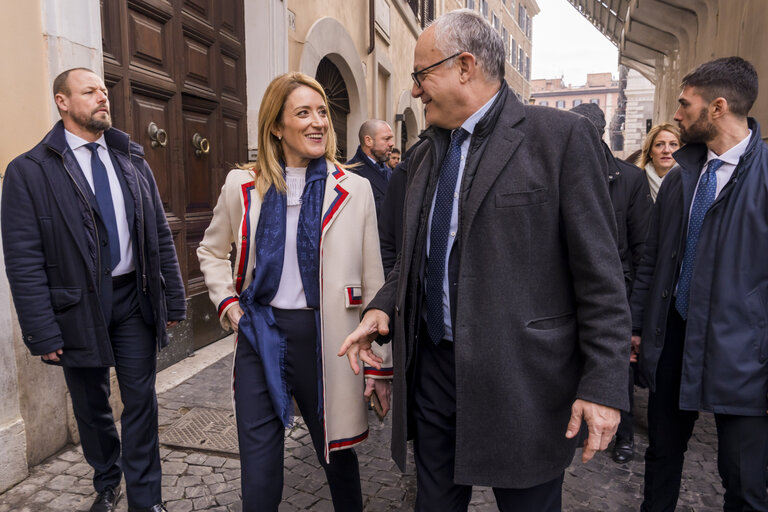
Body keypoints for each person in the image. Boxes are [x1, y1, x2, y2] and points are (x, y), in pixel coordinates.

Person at [339, 10, 631, 511]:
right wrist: (383, 307)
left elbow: (601, 277)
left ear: (465, 66)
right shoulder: (425, 154)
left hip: (523, 386)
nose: (414, 92)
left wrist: (604, 384)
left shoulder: (559, 140)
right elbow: (416, 256)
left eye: (421, 75)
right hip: (433, 375)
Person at [197, 72, 392, 512]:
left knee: (338, 454)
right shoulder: (241, 186)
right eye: (303, 113)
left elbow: (375, 278)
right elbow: (210, 250)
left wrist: (382, 364)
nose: (318, 122)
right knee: (259, 465)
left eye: (322, 111)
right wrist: (229, 305)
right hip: (260, 333)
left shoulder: (355, 189)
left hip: (330, 339)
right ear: (276, 127)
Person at [1, 68, 185, 512]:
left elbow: (159, 234)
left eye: (104, 91)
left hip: (133, 297)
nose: (103, 97)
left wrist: (173, 296)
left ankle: (147, 500)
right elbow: (23, 259)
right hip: (76, 307)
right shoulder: (29, 171)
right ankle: (107, 478)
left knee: (140, 399)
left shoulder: (131, 158)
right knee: (91, 401)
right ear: (62, 102)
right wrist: (41, 331)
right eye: (90, 91)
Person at [630, 56, 768, 512]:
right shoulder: (681, 178)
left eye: (685, 104)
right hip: (674, 340)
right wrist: (636, 327)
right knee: (662, 457)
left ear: (718, 108)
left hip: (743, 355)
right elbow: (652, 261)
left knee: (744, 480)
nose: (676, 114)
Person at [570, 102, 652, 465]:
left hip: (617, 289)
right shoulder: (563, 171)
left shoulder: (629, 180)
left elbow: (643, 249)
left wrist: (634, 314)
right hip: (571, 291)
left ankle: (624, 435)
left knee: (618, 365)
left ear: (600, 133)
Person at [346, 119, 395, 216]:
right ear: (368, 141)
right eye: (386, 139)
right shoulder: (349, 173)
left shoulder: (390, 172)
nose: (391, 143)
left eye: (391, 138)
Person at [637, 123, 681, 201]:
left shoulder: (691, 182)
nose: (666, 150)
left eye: (673, 144)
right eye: (659, 144)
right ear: (650, 152)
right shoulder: (635, 182)